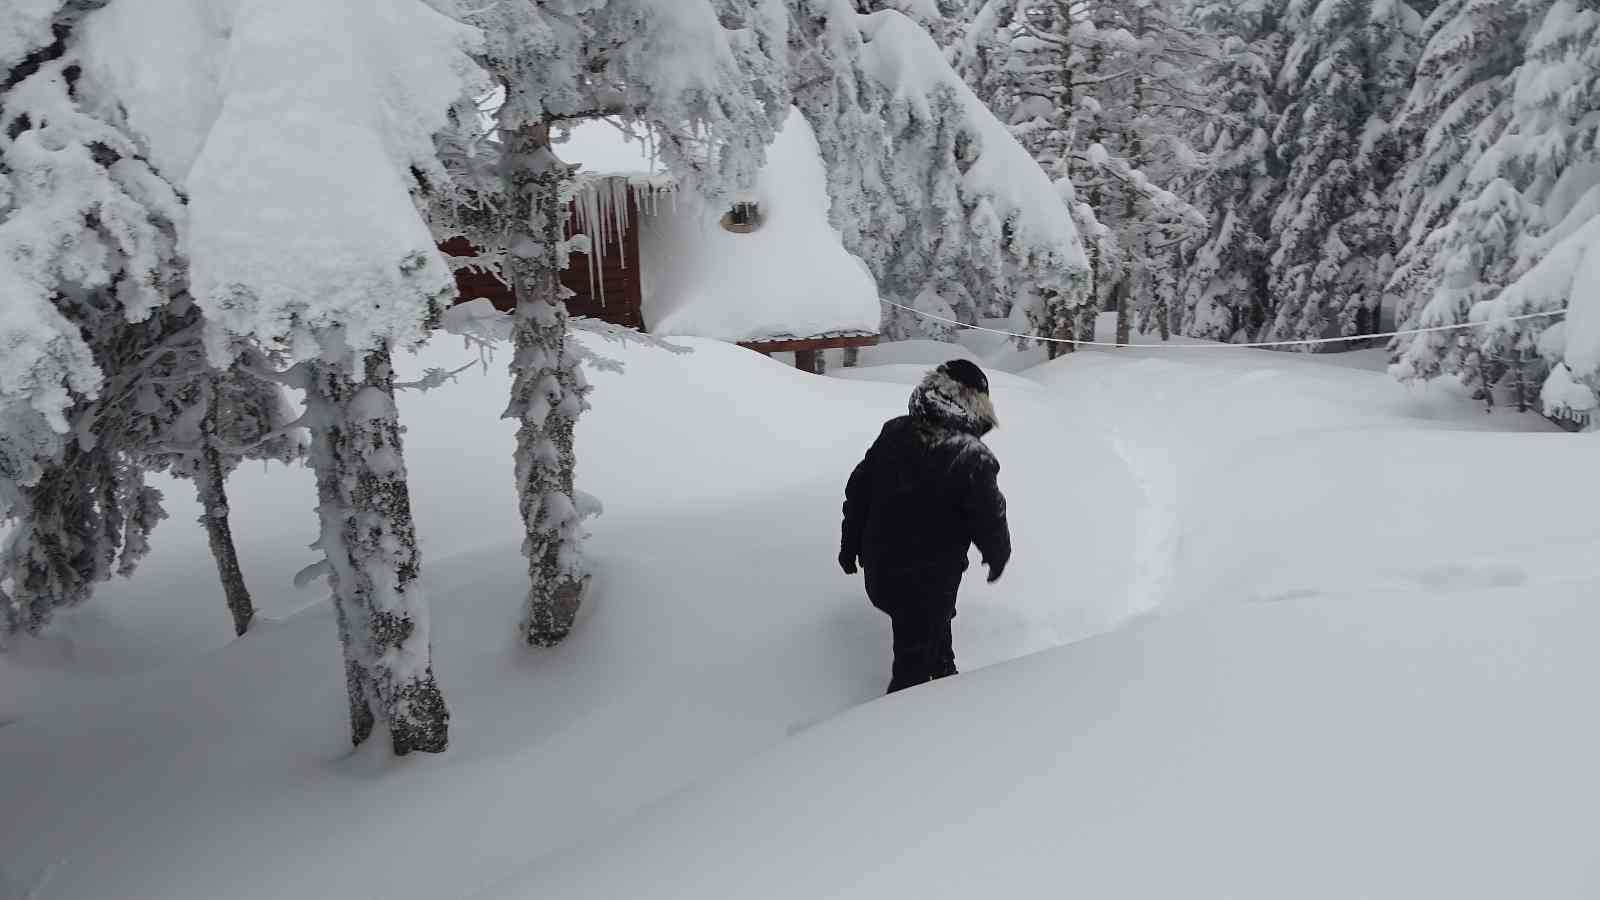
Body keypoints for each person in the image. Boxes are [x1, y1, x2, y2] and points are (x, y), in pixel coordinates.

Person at [839, 359, 1011, 694]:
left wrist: (850, 545)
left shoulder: (894, 432)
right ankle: (906, 721)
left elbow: (859, 491)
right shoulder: (970, 456)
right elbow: (989, 515)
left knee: (928, 626)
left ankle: (944, 671)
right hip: (929, 579)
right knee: (912, 662)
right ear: (974, 405)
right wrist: (997, 553)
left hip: (883, 570)